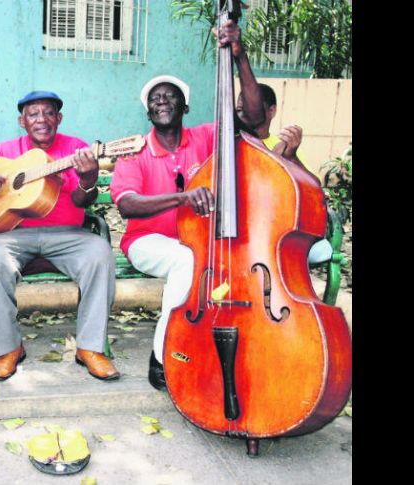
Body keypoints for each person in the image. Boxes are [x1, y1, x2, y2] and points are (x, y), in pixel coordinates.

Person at [109, 19, 264, 391]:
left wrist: (239, 57)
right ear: (148, 112)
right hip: (148, 243)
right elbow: (127, 206)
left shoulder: (208, 137)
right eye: (154, 99)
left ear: (186, 106)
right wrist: (182, 197)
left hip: (203, 240)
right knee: (187, 260)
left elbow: (255, 118)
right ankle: (163, 357)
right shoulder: (134, 151)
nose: (162, 101)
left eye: (170, 96)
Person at [0, 91, 120, 382]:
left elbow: (84, 202)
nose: (41, 119)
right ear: (22, 121)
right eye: (33, 114)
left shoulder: (77, 149)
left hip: (68, 236)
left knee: (100, 253)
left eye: (48, 113)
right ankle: (8, 348)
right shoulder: (4, 151)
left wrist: (88, 179)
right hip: (13, 235)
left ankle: (90, 347)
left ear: (59, 118)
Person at [236, 83, 333, 264]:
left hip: (281, 226)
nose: (244, 115)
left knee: (320, 250)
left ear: (271, 111)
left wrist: (291, 158)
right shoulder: (229, 143)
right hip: (242, 229)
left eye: (252, 108)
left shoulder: (286, 144)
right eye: (240, 109)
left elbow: (313, 188)